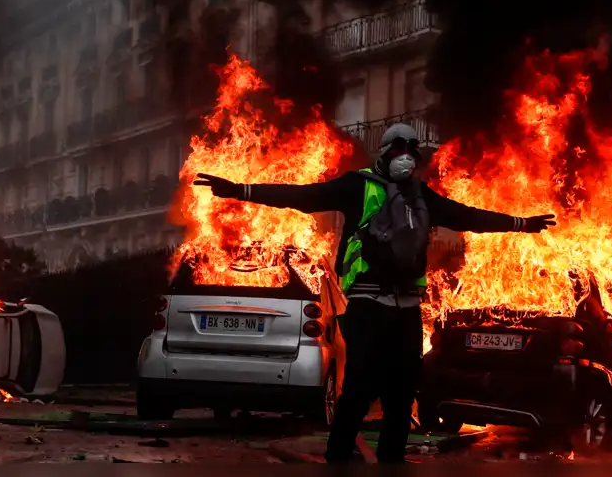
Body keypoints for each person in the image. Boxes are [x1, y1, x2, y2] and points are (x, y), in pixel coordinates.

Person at [194, 123, 556, 463]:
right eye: (399, 149)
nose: (406, 157)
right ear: (384, 152)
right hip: (367, 306)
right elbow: (303, 197)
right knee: (359, 388)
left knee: (402, 393)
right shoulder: (357, 185)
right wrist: (240, 191)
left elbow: (469, 217)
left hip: (407, 308)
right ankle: (338, 458)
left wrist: (521, 224)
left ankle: (391, 461)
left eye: (411, 151)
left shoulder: (422, 196)